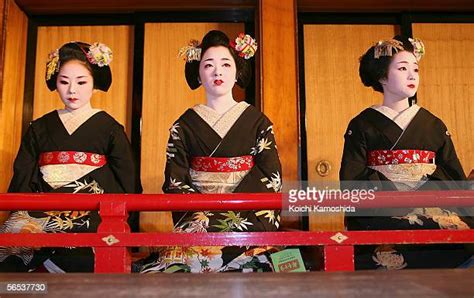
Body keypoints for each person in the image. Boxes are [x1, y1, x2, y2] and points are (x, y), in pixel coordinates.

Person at [137, 30, 282, 273]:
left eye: (226, 64)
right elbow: (175, 180)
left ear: (237, 70)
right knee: (176, 267)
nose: (218, 71)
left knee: (263, 263)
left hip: (249, 217)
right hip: (199, 220)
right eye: (208, 65)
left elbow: (270, 176)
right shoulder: (183, 125)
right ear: (198, 73)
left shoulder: (257, 121)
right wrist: (205, 217)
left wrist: (230, 215)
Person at [0, 41, 142, 272]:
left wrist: (123, 218)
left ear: (94, 83)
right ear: (55, 83)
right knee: (11, 242)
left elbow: (126, 178)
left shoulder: (109, 127)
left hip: (92, 211)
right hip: (40, 211)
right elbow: (23, 175)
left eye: (81, 82)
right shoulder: (39, 127)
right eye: (64, 82)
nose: (72, 90)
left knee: (92, 249)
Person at [339, 35, 473, 269]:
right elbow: (352, 177)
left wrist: (423, 195)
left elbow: (451, 172)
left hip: (432, 210)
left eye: (416, 69)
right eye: (402, 68)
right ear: (382, 76)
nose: (412, 76)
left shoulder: (434, 125)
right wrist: (397, 197)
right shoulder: (361, 124)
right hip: (381, 212)